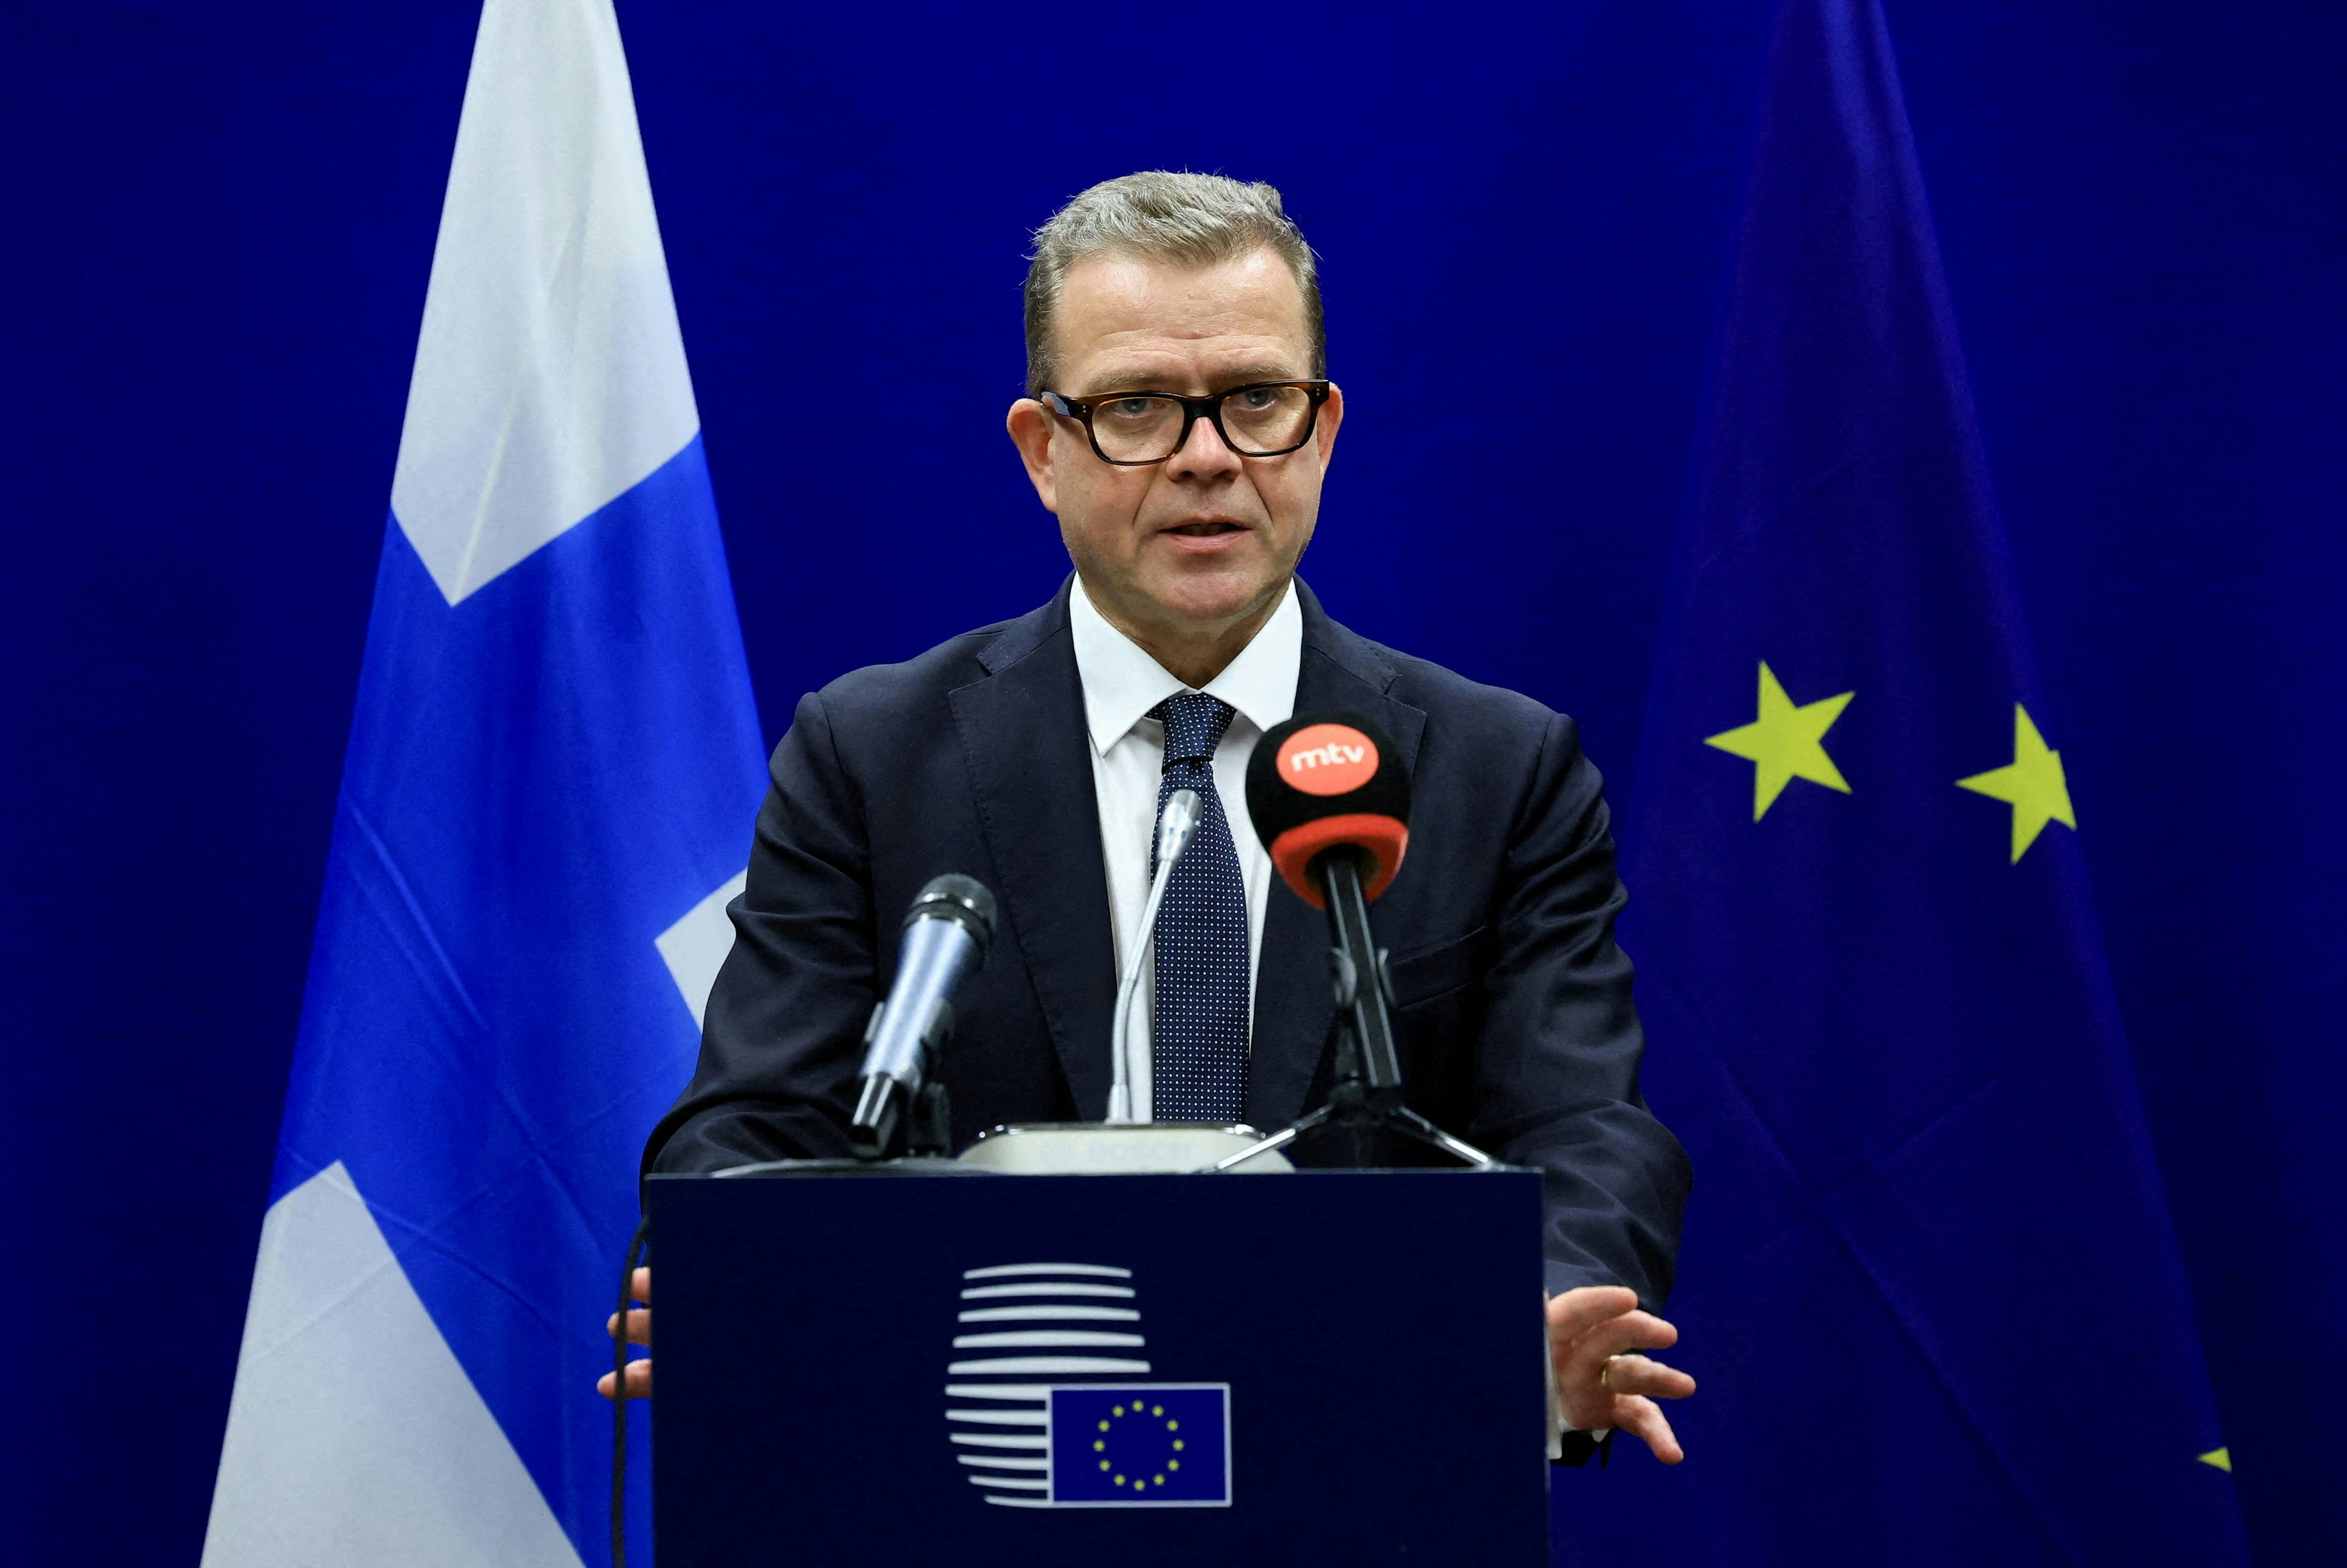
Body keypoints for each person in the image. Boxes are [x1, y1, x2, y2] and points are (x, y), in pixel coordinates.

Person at [601, 172, 1695, 1463]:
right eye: (1135, 408)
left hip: (1364, 1448)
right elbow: (747, 1123)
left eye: (1257, 399)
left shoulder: (1498, 767)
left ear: (1324, 429)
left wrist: (1538, 1310)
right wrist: (750, 1268)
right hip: (978, 1449)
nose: (1208, 457)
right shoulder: (873, 756)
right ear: (1041, 450)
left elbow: (1584, 1126)